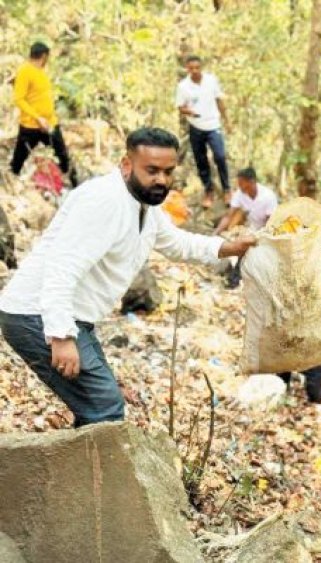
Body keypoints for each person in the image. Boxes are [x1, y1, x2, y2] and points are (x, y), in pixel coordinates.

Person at [0, 127, 256, 428]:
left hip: (71, 318)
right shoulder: (104, 201)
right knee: (104, 407)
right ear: (126, 164)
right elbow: (62, 266)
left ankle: (82, 470)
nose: (161, 179)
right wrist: (60, 335)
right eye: (152, 170)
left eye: (167, 172)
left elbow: (176, 243)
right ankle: (89, 475)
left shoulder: (144, 204)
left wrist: (229, 248)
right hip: (36, 313)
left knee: (103, 405)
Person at [10, 42, 76, 185]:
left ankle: (75, 183)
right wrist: (37, 118)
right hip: (31, 126)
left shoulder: (41, 71)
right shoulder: (25, 72)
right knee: (19, 158)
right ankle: (11, 182)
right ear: (44, 56)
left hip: (50, 123)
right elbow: (19, 99)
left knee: (62, 153)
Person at [176, 55, 232, 208]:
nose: (194, 71)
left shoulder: (211, 80)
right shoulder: (183, 86)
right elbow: (180, 107)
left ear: (201, 67)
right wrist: (190, 112)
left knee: (220, 157)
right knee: (201, 161)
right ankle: (208, 192)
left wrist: (227, 121)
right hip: (196, 127)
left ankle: (227, 190)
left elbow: (219, 100)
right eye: (191, 68)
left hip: (213, 125)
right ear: (187, 69)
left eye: (197, 67)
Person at [214, 167, 278, 289]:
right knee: (241, 249)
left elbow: (272, 223)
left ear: (252, 182)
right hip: (253, 229)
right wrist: (216, 232)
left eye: (241, 183)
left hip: (268, 232)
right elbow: (229, 216)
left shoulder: (268, 197)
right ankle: (234, 279)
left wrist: (259, 237)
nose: (239, 186)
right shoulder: (240, 194)